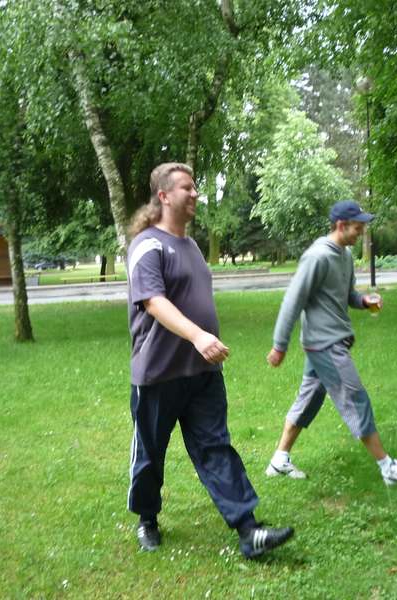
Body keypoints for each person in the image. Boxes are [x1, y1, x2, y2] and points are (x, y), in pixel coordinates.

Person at [126, 162, 294, 558]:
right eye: (187, 188)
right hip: (158, 373)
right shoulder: (147, 245)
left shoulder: (192, 246)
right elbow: (153, 302)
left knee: (216, 447)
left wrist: (204, 343)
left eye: (195, 187)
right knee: (150, 453)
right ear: (164, 196)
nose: (195, 194)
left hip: (203, 371)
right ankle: (147, 519)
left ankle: (248, 531)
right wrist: (198, 335)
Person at [265, 200, 397, 487]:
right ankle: (387, 467)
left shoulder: (345, 255)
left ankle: (279, 460)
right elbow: (292, 301)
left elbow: (347, 295)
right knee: (355, 398)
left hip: (331, 341)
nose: (361, 234)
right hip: (324, 344)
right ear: (341, 225)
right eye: (357, 228)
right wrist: (280, 345)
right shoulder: (317, 257)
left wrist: (364, 300)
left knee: (308, 401)